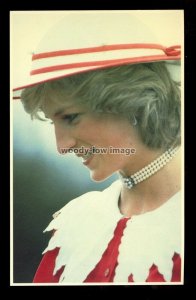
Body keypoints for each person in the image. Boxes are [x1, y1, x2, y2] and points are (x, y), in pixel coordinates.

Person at [13, 11, 183, 284]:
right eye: (52, 121)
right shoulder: (76, 227)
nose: (62, 146)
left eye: (70, 118)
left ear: (131, 101)